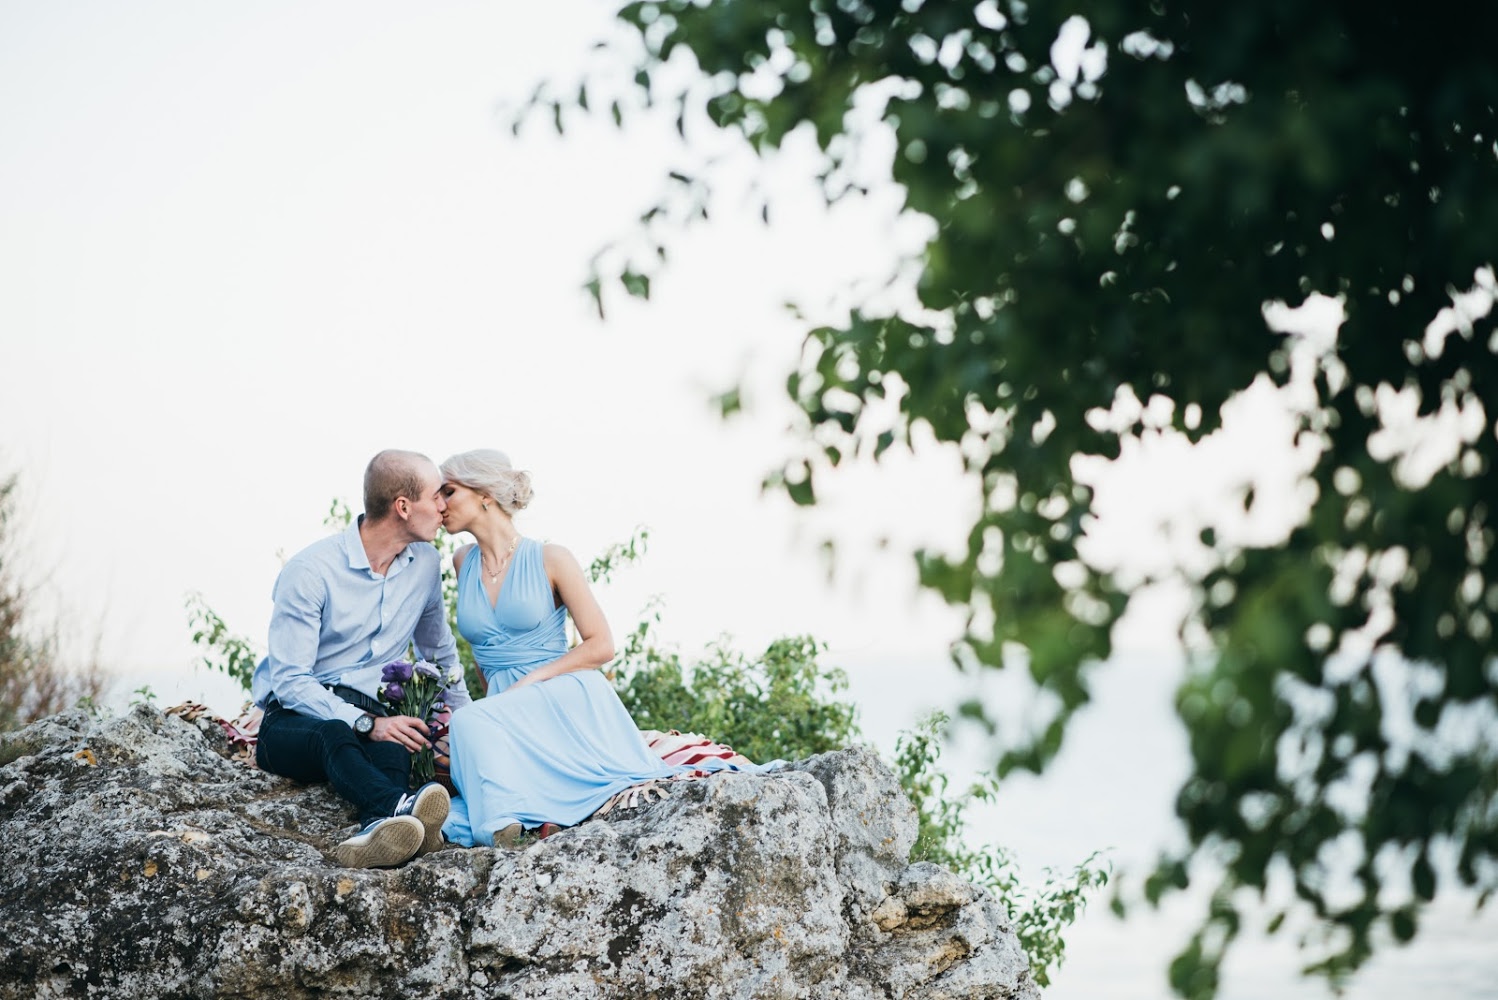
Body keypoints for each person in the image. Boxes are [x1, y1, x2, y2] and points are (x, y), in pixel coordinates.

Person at [437, 449, 749, 848]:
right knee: (471, 731)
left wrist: (532, 681)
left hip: (564, 692)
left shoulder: (551, 558)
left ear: (483, 493)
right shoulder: (462, 561)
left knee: (467, 723)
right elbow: (485, 654)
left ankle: (496, 826)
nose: (439, 504)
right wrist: (499, 705)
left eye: (448, 491)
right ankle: (498, 815)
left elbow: (602, 644)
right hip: (506, 706)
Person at [250, 449, 471, 868]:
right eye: (435, 496)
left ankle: (376, 830)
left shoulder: (424, 563)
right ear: (403, 507)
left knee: (396, 746)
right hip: (293, 722)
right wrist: (367, 723)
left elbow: (438, 649)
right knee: (335, 732)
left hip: (371, 714)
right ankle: (397, 807)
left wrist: (469, 722)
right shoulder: (310, 571)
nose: (444, 506)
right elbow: (292, 682)